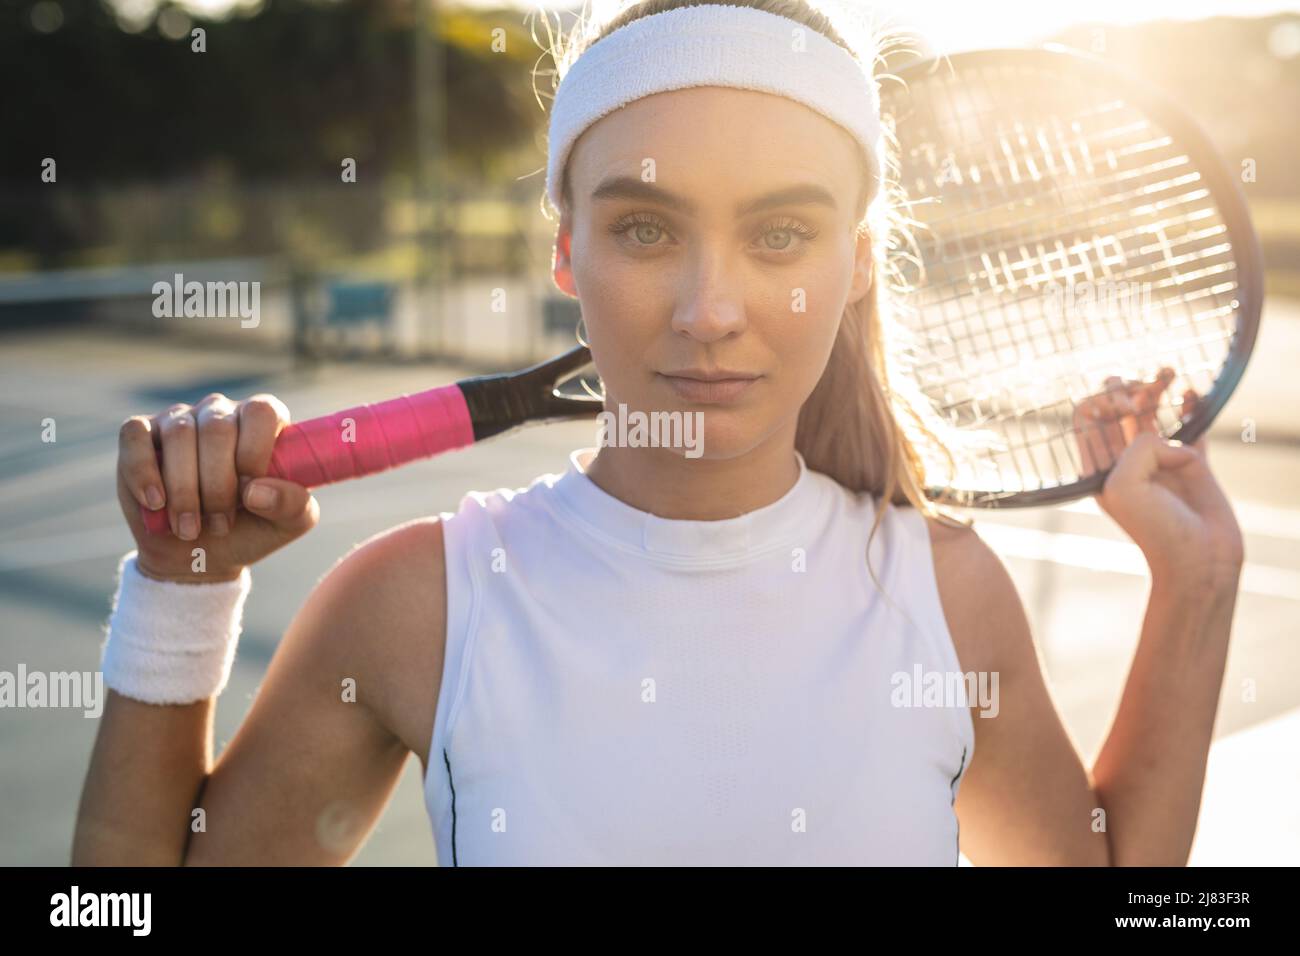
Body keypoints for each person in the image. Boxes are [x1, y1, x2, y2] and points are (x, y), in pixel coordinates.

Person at [73, 0, 1244, 866]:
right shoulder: (414, 603)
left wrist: (1193, 585)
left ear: (857, 268)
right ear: (565, 252)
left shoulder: (946, 591)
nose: (708, 309)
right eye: (644, 228)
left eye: (781, 234)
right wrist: (178, 587)